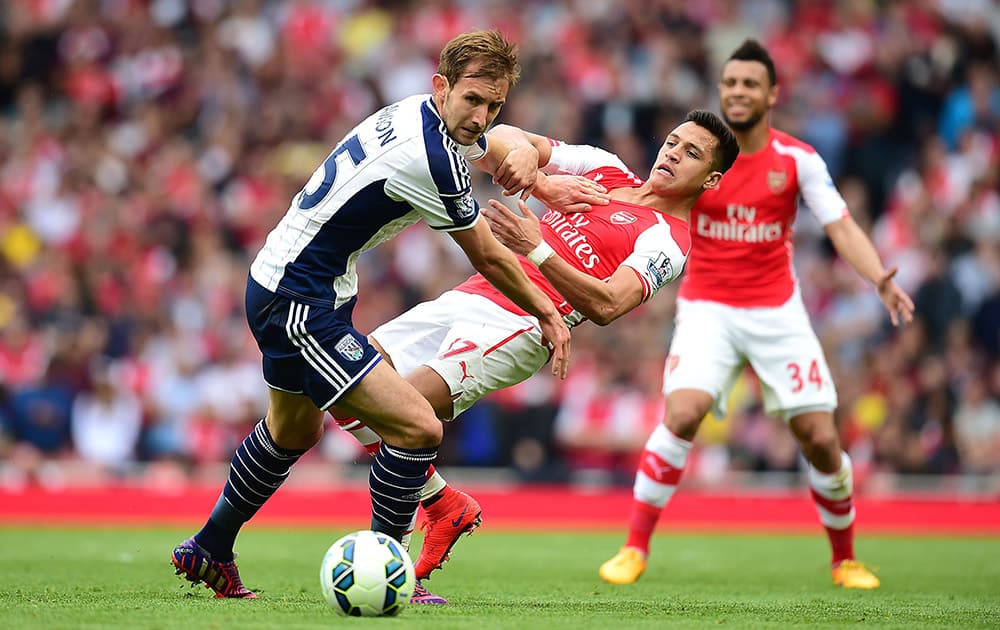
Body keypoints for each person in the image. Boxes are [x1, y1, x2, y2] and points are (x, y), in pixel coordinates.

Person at [169, 30, 575, 601]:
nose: (482, 117)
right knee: (417, 427)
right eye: (473, 100)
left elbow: (484, 151)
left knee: (294, 428)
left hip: (290, 283)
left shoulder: (414, 114)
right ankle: (390, 572)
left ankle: (210, 546)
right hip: (300, 300)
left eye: (494, 105)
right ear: (443, 87)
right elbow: (486, 252)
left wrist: (538, 175)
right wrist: (547, 312)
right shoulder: (431, 157)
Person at [333, 109, 739, 604]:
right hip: (471, 292)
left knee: (397, 407)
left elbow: (609, 303)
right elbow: (504, 137)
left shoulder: (669, 241)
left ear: (712, 179)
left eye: (692, 153)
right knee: (343, 383)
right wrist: (538, 173)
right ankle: (441, 502)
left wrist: (539, 248)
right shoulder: (602, 167)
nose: (674, 153)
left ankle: (395, 570)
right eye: (674, 142)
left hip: (520, 325)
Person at [598, 39, 915, 590]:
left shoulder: (796, 160)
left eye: (749, 84)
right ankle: (634, 547)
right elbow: (647, 197)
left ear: (772, 93)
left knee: (819, 437)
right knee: (683, 413)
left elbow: (838, 224)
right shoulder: (703, 161)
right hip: (707, 308)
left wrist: (878, 276)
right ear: (721, 91)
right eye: (730, 83)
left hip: (776, 311)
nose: (738, 92)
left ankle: (845, 559)